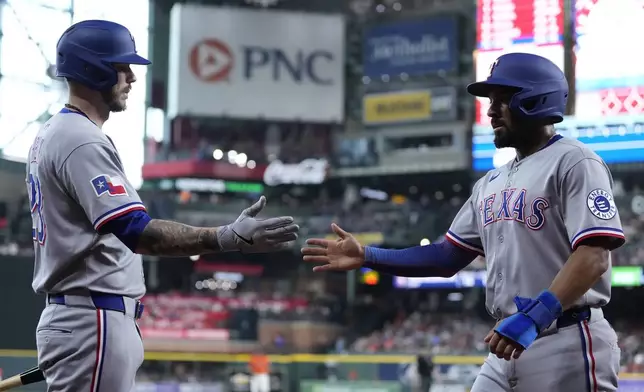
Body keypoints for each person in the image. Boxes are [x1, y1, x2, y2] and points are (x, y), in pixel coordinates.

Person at [302, 53, 624, 392]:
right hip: (506, 341)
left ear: (536, 99)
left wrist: (535, 315)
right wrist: (369, 255)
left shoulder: (574, 161)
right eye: (490, 101)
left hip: (567, 339)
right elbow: (445, 257)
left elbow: (593, 256)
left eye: (503, 100)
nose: (490, 111)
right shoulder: (489, 183)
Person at [28, 20, 299, 392]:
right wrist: (225, 237)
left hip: (83, 316)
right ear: (94, 69)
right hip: (91, 317)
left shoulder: (55, 133)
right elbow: (138, 233)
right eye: (122, 67)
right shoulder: (80, 139)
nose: (131, 77)